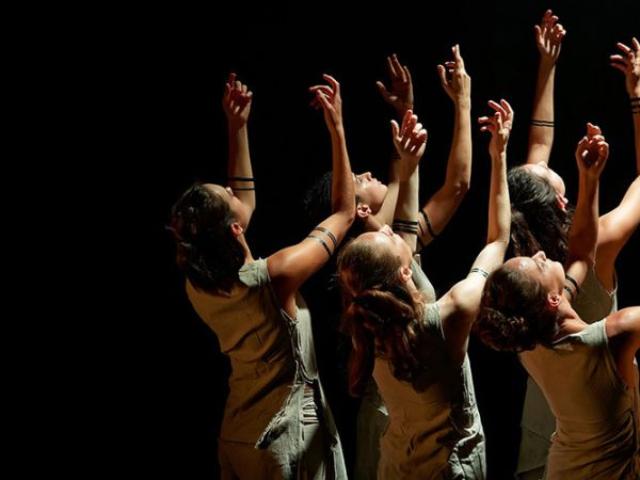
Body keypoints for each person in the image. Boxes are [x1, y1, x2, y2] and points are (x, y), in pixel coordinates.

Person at [168, 73, 353, 479]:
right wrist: (337, 128)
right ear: (235, 230)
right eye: (228, 194)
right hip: (286, 437)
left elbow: (243, 205)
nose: (234, 191)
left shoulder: (199, 281)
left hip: (239, 433)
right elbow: (344, 212)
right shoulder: (276, 277)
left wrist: (238, 127)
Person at [337, 99, 513, 479]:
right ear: (405, 274)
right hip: (449, 469)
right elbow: (498, 240)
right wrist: (499, 157)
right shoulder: (449, 315)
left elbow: (404, 237)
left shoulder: (366, 326)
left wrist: (409, 167)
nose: (389, 230)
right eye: (388, 237)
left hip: (399, 464)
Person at [510, 25, 640, 478]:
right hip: (601, 429)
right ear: (559, 203)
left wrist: (547, 64)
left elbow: (537, 149)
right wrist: (637, 99)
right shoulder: (596, 243)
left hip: (543, 427)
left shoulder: (518, 260)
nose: (543, 162)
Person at [476, 126, 640, 479]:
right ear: (553, 299)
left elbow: (580, 255)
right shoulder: (616, 333)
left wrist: (589, 180)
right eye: (538, 265)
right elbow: (581, 256)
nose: (539, 255)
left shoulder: (530, 338)